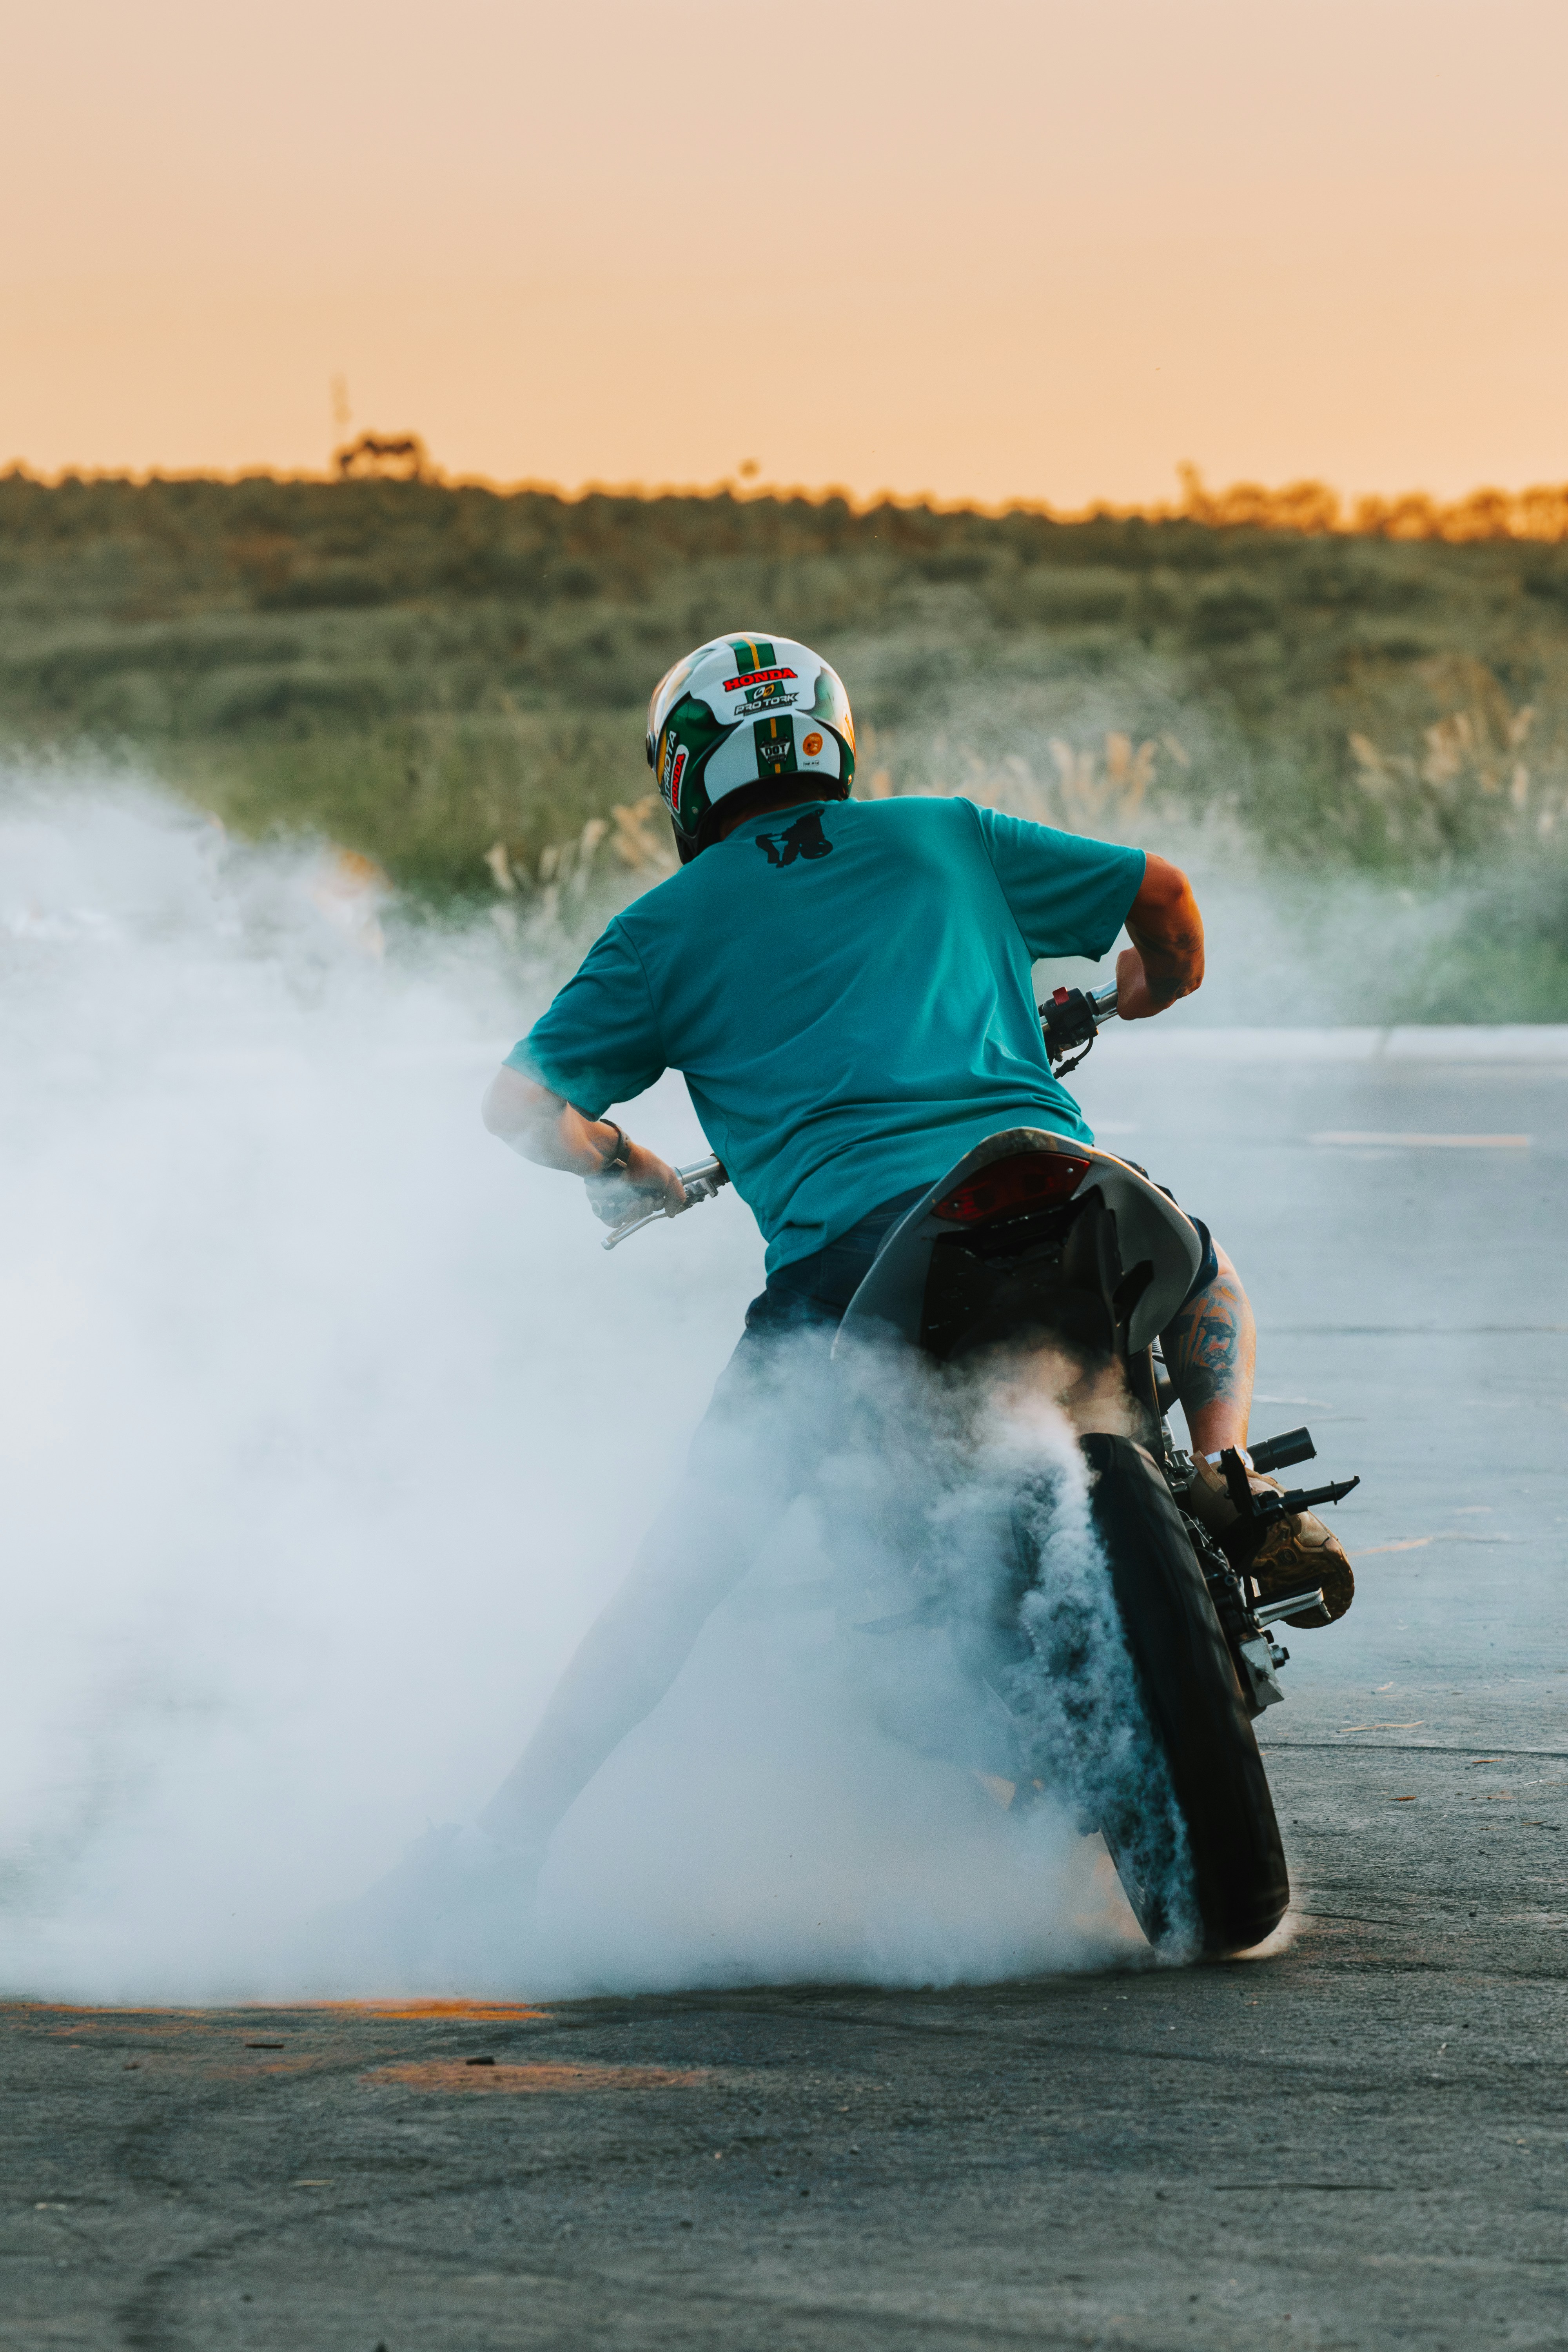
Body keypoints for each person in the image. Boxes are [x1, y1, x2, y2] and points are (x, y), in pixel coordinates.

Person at [342, 633, 1352, 1962]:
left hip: (849, 1272)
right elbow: (1166, 900)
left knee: (680, 1580)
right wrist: (1131, 993)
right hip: (1058, 1184)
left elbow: (520, 1105)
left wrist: (629, 1164)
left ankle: (504, 1844)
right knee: (1202, 1269)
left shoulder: (661, 934)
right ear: (830, 735)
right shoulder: (945, 835)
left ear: (685, 778)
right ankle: (1230, 1478)